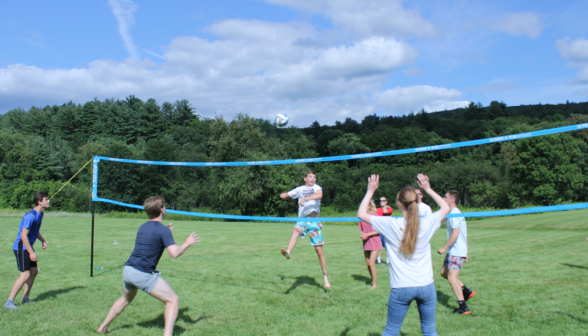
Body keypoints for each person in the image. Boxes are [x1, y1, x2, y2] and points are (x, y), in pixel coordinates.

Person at [358, 174, 450, 336]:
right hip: (426, 286)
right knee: (429, 330)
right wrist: (428, 189)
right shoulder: (428, 222)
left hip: (401, 287)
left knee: (391, 331)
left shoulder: (390, 224)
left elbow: (361, 214)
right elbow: (446, 208)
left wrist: (370, 191)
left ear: (399, 204)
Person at [97, 196, 200, 335]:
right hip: (142, 274)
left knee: (125, 299)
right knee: (173, 300)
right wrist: (187, 243)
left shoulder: (143, 226)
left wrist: (165, 234)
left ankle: (103, 326)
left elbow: (152, 241)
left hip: (128, 271)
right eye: (164, 206)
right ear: (161, 209)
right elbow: (174, 253)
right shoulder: (162, 230)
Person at [279, 170, 330, 288]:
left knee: (319, 251)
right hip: (302, 220)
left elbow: (319, 195)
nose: (312, 179)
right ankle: (288, 252)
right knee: (296, 230)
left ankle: (325, 277)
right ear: (305, 178)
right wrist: (284, 195)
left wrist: (306, 198)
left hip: (314, 221)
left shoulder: (317, 187)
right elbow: (288, 194)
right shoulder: (299, 189)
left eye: (314, 177)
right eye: (310, 177)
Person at [5, 191, 50, 310]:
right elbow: (23, 236)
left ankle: (25, 299)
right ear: (39, 202)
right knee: (25, 275)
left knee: (34, 272)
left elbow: (35, 230)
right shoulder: (30, 216)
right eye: (46, 199)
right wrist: (31, 252)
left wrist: (43, 240)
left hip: (27, 246)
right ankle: (9, 302)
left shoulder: (40, 214)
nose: (49, 201)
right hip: (21, 247)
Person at [437, 190, 475, 315]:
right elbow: (464, 234)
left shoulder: (454, 213)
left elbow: (456, 233)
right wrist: (466, 251)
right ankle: (466, 291)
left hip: (455, 251)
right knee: (444, 273)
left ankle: (463, 307)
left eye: (445, 197)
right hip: (455, 250)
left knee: (452, 278)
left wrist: (444, 247)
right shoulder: (456, 212)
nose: (443, 198)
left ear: (451, 200)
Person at [358, 200, 383, 289]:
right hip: (366, 242)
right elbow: (362, 229)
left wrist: (367, 234)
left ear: (369, 206)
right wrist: (362, 234)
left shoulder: (375, 216)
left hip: (375, 243)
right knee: (368, 264)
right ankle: (373, 279)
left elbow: (379, 230)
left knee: (372, 263)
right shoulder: (362, 218)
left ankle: (375, 284)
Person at [376, 196, 393, 265]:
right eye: (380, 201)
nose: (382, 202)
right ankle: (379, 260)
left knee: (387, 246)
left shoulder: (390, 209)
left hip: (387, 230)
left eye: (383, 201)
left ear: (386, 202)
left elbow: (385, 212)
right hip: (379, 230)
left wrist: (385, 206)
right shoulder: (377, 209)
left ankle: (388, 261)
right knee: (379, 246)